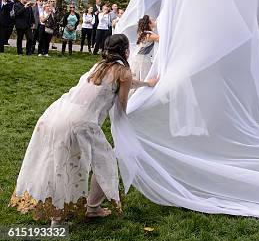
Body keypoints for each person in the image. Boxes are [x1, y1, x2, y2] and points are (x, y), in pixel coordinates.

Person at [10, 34, 159, 224]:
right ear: (126, 51)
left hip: (56, 114)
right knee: (91, 164)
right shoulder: (123, 72)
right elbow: (122, 106)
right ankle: (79, 212)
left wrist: (147, 83)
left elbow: (126, 83)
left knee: (57, 164)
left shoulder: (99, 66)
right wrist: (135, 121)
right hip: (80, 123)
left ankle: (68, 211)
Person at [131, 15, 160, 80]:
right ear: (149, 24)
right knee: (144, 79)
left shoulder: (143, 33)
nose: (154, 21)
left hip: (139, 58)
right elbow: (163, 40)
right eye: (152, 20)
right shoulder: (149, 35)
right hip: (143, 61)